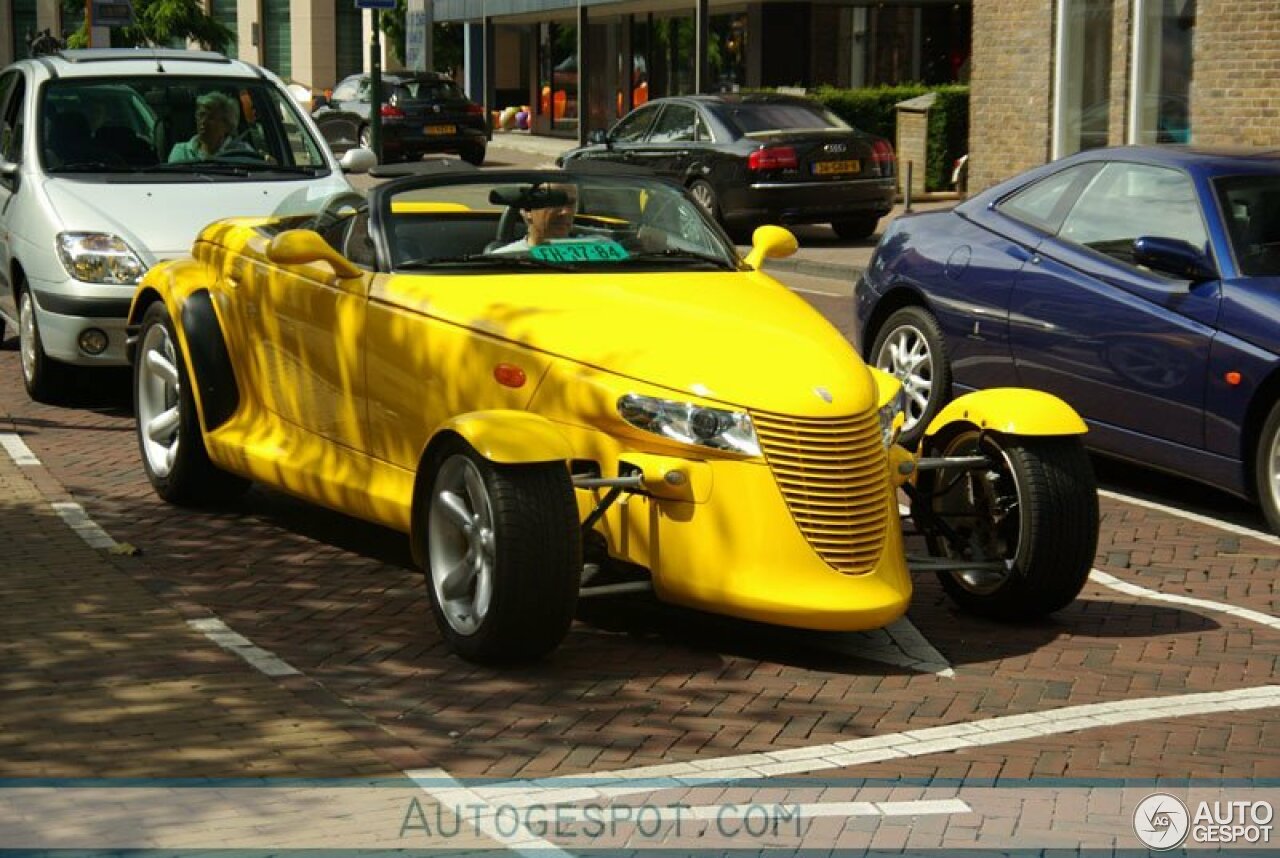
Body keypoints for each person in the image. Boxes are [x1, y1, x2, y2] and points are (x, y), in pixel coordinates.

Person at [490, 183, 580, 254]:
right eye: (555, 203)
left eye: (571, 203)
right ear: (528, 210)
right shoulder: (503, 262)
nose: (565, 212)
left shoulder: (588, 258)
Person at [168, 91, 254, 162]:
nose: (203, 121)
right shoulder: (181, 152)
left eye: (211, 118)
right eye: (201, 115)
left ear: (227, 125)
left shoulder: (243, 152)